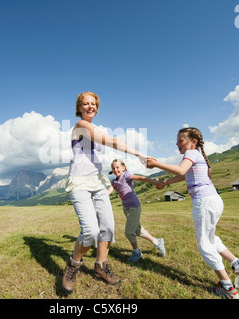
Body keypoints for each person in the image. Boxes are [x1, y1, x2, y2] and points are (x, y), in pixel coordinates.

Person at [147, 127, 239, 299]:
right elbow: (185, 175)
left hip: (204, 203)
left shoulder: (190, 153)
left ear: (193, 142)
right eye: (177, 141)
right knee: (212, 239)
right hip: (212, 201)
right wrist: (166, 182)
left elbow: (181, 170)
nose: (177, 144)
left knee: (205, 245)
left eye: (180, 141)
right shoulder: (196, 155)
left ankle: (228, 289)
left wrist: (156, 164)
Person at [62, 91, 150, 294]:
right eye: (86, 104)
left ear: (97, 107)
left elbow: (110, 140)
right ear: (79, 108)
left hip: (97, 182)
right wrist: (138, 153)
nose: (90, 106)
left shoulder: (96, 129)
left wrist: (129, 149)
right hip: (79, 183)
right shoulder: (80, 126)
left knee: (108, 227)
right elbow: (110, 140)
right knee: (90, 231)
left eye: (93, 104)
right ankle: (73, 265)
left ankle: (101, 266)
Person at [107, 159, 166, 262]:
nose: (115, 169)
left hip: (134, 207)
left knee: (129, 232)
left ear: (123, 168)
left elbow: (140, 178)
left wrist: (155, 182)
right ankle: (157, 242)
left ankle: (136, 252)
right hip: (126, 209)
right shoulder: (114, 182)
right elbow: (108, 192)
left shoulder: (126, 176)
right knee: (138, 230)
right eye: (113, 168)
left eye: (117, 167)